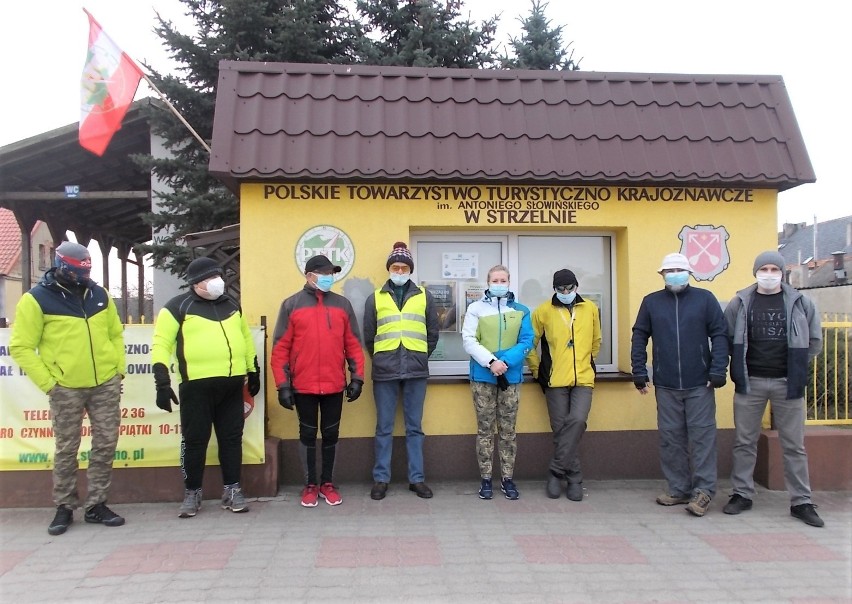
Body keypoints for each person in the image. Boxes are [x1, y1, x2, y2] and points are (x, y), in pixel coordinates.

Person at [10, 241, 126, 535]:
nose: (82, 276)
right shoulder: (36, 299)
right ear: (62, 266)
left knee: (105, 445)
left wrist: (118, 370)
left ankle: (97, 505)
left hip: (105, 384)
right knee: (66, 448)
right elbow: (21, 347)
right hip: (66, 388)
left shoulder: (100, 295)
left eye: (86, 271)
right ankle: (64, 506)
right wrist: (50, 384)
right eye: (77, 271)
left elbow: (115, 334)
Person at [151, 257, 260, 518]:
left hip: (232, 385)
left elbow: (245, 338)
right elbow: (160, 344)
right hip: (196, 387)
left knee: (231, 440)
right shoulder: (177, 307)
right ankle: (192, 493)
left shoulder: (232, 305)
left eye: (218, 276)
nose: (217, 282)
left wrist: (252, 369)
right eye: (210, 278)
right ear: (195, 283)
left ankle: (232, 490)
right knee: (195, 441)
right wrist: (161, 382)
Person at [722, 251, 824, 527]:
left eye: (773, 269)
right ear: (755, 271)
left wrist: (797, 366)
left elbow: (814, 341)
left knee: (794, 445)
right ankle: (742, 494)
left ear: (782, 272)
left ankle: (801, 501)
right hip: (750, 381)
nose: (768, 273)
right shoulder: (741, 302)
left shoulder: (801, 302)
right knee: (744, 442)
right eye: (763, 269)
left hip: (787, 382)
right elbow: (729, 338)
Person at [631, 253, 728, 517]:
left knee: (702, 439)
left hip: (700, 383)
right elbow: (639, 336)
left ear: (689, 273)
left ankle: (704, 492)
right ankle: (678, 489)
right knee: (671, 438)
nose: (674, 273)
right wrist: (639, 371)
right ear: (661, 274)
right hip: (666, 384)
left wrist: (719, 369)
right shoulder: (651, 302)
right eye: (669, 270)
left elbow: (720, 334)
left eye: (679, 269)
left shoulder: (705, 300)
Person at [270, 254, 365, 507]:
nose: (329, 278)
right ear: (309, 275)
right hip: (303, 385)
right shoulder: (291, 305)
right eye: (324, 273)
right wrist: (283, 385)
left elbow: (353, 344)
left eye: (331, 273)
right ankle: (310, 485)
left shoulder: (342, 305)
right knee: (308, 436)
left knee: (331, 434)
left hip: (334, 384)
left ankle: (327, 483)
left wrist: (357, 378)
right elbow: (280, 348)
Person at [363, 242, 439, 500]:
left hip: (416, 369)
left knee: (414, 428)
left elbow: (432, 333)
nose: (399, 270)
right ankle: (381, 479)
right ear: (389, 269)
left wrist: (419, 355)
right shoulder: (375, 297)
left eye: (403, 267)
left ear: (410, 270)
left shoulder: (424, 296)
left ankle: (416, 479)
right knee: (384, 427)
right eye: (395, 267)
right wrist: (382, 357)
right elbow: (369, 336)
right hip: (385, 370)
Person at [528, 269, 601, 502]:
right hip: (554, 380)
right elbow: (529, 343)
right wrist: (536, 369)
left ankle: (555, 471)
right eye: (561, 289)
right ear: (555, 289)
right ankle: (575, 479)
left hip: (583, 378)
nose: (566, 292)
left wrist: (587, 362)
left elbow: (596, 340)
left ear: (576, 286)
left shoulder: (589, 308)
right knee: (560, 429)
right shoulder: (543, 311)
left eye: (570, 288)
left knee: (577, 421)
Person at [461, 265, 534, 500]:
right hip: (483, 377)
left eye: (503, 280)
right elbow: (469, 340)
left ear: (509, 282)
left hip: (510, 378)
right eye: (495, 280)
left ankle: (507, 479)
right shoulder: (476, 308)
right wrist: (491, 362)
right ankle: (485, 480)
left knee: (508, 432)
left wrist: (505, 361)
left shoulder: (521, 311)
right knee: (484, 430)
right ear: (488, 281)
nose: (499, 283)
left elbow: (527, 341)